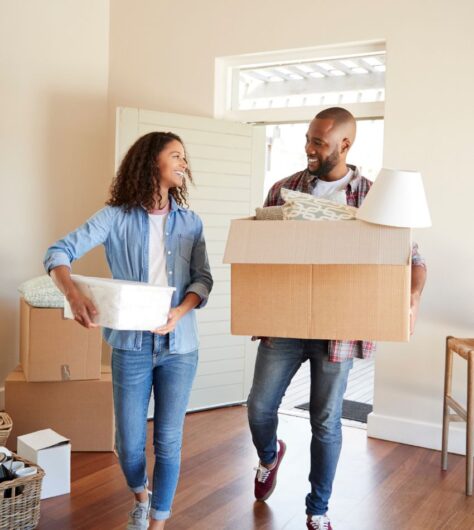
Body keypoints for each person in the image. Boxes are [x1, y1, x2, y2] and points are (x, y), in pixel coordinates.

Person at [247, 107, 426, 530]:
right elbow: (259, 252)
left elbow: (413, 259)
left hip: (339, 328)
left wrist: (412, 298)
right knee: (258, 406)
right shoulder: (283, 190)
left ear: (345, 145)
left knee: (325, 421)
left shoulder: (373, 197)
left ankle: (317, 509)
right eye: (308, 139)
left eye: (319, 142)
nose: (309, 148)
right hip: (285, 323)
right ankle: (270, 456)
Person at [44, 132, 213, 530]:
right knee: (128, 444)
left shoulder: (191, 223)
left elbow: (203, 279)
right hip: (131, 347)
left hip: (180, 347)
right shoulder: (114, 217)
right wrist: (72, 294)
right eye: (176, 156)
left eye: (184, 157)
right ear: (151, 161)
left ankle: (158, 521)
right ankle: (141, 496)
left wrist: (180, 310)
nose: (184, 164)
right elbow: (58, 253)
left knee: (168, 441)